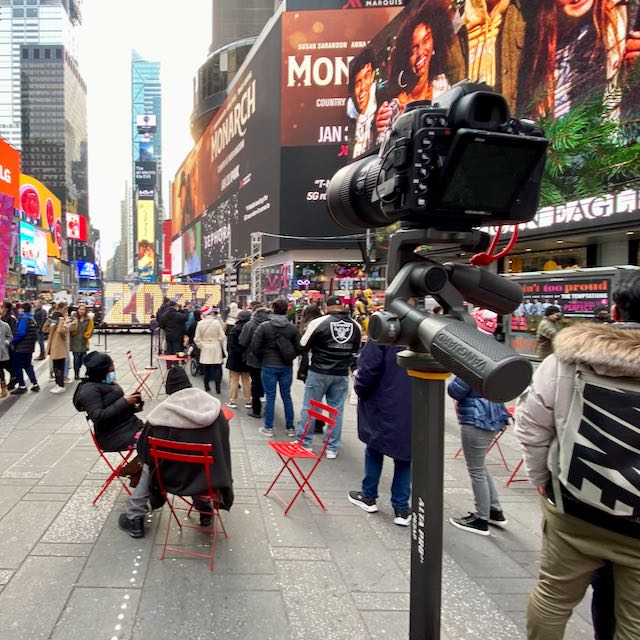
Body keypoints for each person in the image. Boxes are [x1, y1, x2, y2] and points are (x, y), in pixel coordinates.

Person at [515, 272, 640, 640]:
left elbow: (532, 427)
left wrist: (544, 483)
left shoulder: (567, 359)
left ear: (615, 312)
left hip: (576, 504)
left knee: (553, 599)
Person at [118, 367, 233, 539]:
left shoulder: (160, 414)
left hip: (168, 477)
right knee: (199, 464)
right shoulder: (214, 410)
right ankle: (204, 508)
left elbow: (143, 450)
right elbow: (223, 448)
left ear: (169, 389)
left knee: (149, 464)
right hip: (207, 478)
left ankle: (135, 517)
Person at [448, 308, 512, 536]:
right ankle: (494, 510)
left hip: (477, 415)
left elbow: (457, 389)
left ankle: (481, 518)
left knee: (475, 468)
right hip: (494, 412)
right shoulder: (497, 348)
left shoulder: (474, 351)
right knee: (480, 465)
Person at [348, 339, 412, 527]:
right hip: (414, 401)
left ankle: (369, 495)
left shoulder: (385, 332)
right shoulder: (422, 330)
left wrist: (359, 388)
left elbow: (368, 368)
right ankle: (401, 507)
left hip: (383, 400)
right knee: (405, 455)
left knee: (374, 447)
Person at [297, 295, 361, 458]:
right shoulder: (356, 326)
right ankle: (332, 447)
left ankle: (305, 443)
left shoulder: (318, 322)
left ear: (327, 307)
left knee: (310, 408)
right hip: (340, 373)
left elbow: (303, 345)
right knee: (336, 410)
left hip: (319, 371)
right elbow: (355, 352)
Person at [250, 297, 301, 438]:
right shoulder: (292, 328)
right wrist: (289, 356)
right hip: (286, 366)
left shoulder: (264, 326)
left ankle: (269, 427)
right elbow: (299, 347)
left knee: (270, 396)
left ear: (273, 308)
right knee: (286, 396)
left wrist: (263, 357)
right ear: (286, 309)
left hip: (268, 365)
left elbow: (255, 346)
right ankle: (290, 427)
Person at [73, 351, 143, 452]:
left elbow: (114, 406)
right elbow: (98, 416)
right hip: (113, 436)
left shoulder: (105, 383)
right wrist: (124, 402)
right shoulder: (89, 390)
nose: (113, 368)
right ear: (102, 370)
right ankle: (147, 467)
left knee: (163, 433)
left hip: (128, 426)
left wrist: (132, 403)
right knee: (155, 441)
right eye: (111, 365)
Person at [239, 305, 270, 419]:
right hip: (269, 359)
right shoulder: (272, 323)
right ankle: (269, 411)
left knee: (255, 383)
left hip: (254, 358)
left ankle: (256, 410)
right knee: (269, 386)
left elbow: (242, 341)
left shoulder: (250, 324)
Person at [347, 48, 378, 158]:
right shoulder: (351, 115)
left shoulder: (382, 107)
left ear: (373, 76)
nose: (362, 87)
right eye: (357, 83)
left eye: (366, 77)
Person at [9, 302, 40, 395]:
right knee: (28, 365)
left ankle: (22, 386)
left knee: (17, 367)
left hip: (21, 347)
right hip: (29, 347)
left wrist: (13, 342)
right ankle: (35, 384)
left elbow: (21, 333)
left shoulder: (23, 319)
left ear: (22, 309)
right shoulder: (32, 319)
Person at [43, 305, 75, 394]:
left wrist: (61, 321)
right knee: (56, 368)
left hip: (60, 351)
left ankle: (61, 385)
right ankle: (58, 384)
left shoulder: (63, 326)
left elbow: (62, 331)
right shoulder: (53, 325)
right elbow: (44, 329)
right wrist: (49, 320)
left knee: (60, 368)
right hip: (53, 350)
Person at [194, 306, 225, 393]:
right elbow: (222, 336)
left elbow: (196, 338)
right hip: (215, 347)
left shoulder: (200, 323)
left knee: (206, 368)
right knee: (217, 367)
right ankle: (218, 388)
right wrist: (218, 342)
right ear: (210, 313)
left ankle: (206, 386)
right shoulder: (216, 323)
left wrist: (201, 345)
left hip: (205, 347)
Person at [225, 309, 251, 409]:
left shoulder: (234, 329)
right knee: (246, 380)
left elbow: (231, 345)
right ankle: (248, 400)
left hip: (235, 358)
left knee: (234, 380)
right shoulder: (250, 328)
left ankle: (233, 401)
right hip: (246, 358)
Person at [70, 304, 94, 380]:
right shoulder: (73, 318)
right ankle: (76, 374)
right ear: (78, 310)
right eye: (80, 309)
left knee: (84, 359)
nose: (81, 311)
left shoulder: (88, 319)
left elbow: (91, 329)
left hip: (84, 341)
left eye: (83, 309)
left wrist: (87, 336)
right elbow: (70, 328)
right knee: (76, 359)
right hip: (75, 341)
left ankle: (87, 373)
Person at [1, 301, 17, 391]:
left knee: (8, 365)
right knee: (4, 365)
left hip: (7, 347)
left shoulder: (10, 318)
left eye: (2, 306)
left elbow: (12, 333)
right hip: (2, 347)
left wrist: (7, 342)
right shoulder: (4, 317)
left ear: (6, 308)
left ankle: (13, 379)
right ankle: (12, 380)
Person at [0, 315, 12, 398]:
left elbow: (10, 336)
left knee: (6, 368)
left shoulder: (5, 325)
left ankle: (4, 388)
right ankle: (3, 389)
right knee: (0, 371)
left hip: (3, 351)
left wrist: (6, 342)